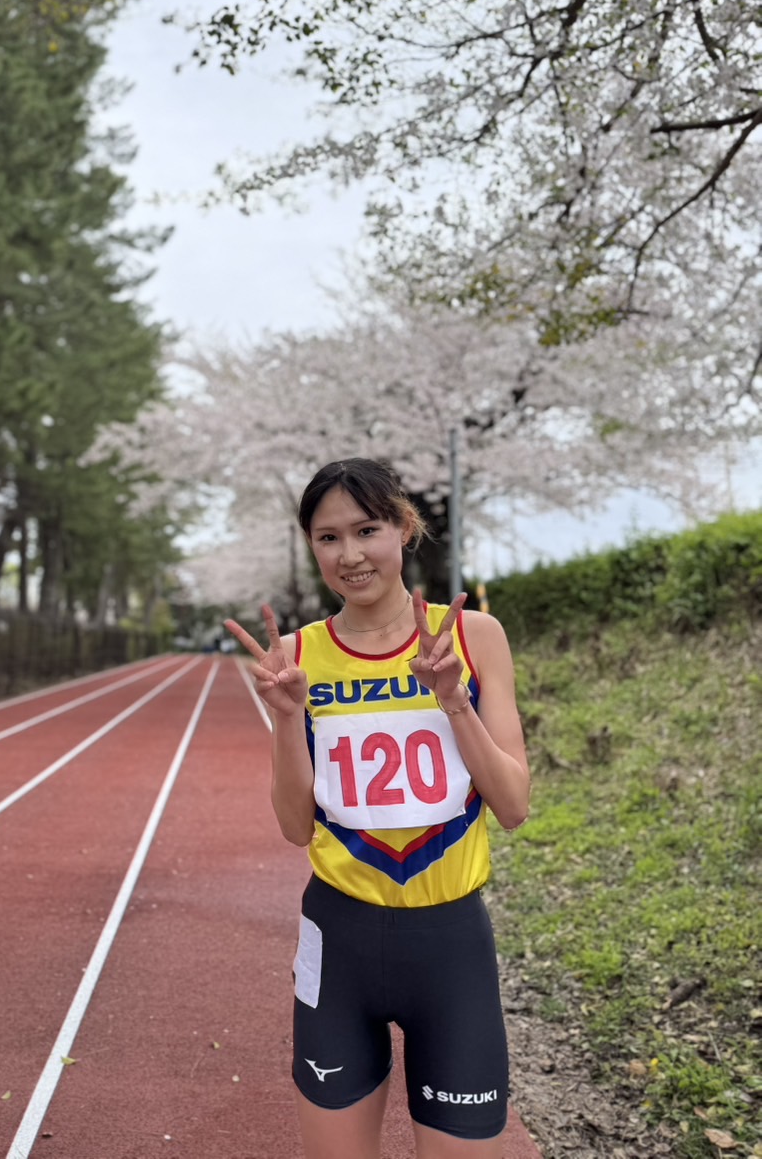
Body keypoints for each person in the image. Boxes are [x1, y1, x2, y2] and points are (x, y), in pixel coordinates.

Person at [225, 457, 530, 1159]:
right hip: (339, 937)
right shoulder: (297, 657)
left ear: (404, 526)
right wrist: (286, 717)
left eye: (368, 529)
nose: (351, 554)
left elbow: (512, 805)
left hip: (451, 943)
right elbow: (295, 825)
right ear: (311, 547)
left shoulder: (474, 637)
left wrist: (454, 700)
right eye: (328, 537)